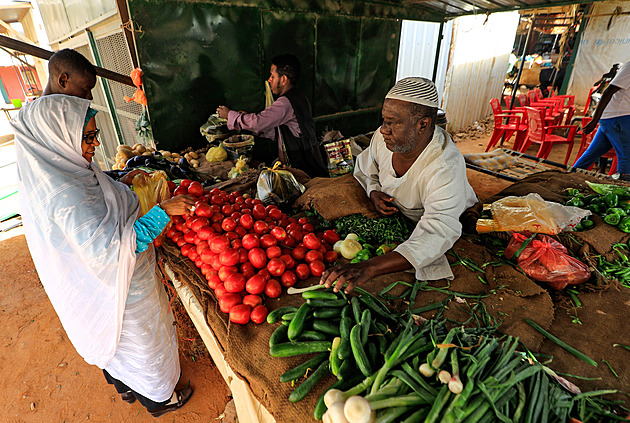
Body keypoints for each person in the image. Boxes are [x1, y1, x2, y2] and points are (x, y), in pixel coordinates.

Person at [11, 95, 196, 418]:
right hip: (120, 288)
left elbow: (93, 191)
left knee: (113, 342)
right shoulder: (65, 194)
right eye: (88, 137)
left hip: (92, 288)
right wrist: (162, 211)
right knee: (142, 342)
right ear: (60, 135)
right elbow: (113, 250)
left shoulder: (59, 168)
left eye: (95, 135)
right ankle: (159, 398)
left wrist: (116, 182)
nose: (95, 144)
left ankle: (126, 386)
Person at [320, 77, 478, 293]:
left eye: (393, 122)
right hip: (399, 215)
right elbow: (367, 169)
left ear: (423, 124)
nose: (384, 129)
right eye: (384, 120)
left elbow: (438, 230)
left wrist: (370, 267)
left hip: (446, 219)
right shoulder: (382, 139)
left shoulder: (444, 167)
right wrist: (373, 191)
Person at [216, 54, 328, 177]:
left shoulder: (286, 102)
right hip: (304, 163)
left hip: (301, 168)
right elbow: (279, 132)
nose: (269, 80)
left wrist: (230, 115)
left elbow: (258, 122)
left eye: (272, 76)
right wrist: (247, 123)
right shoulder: (298, 97)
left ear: (284, 79)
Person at [574, 61, 630, 180]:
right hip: (618, 117)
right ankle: (623, 188)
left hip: (612, 118)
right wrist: (594, 120)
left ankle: (569, 177)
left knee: (591, 154)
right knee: (626, 156)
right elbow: (608, 91)